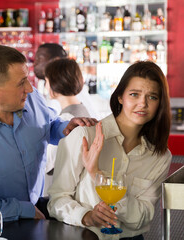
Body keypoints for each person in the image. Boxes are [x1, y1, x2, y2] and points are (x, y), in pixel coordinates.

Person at [0, 45, 97, 223]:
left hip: (36, 211)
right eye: (21, 83)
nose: (30, 89)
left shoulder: (31, 99)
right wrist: (23, 210)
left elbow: (48, 124)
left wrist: (64, 127)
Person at [47, 61, 172, 239]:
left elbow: (143, 217)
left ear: (160, 103)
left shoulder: (160, 156)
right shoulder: (84, 136)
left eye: (152, 97)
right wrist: (86, 216)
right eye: (134, 94)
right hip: (83, 235)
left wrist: (97, 174)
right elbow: (57, 201)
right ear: (120, 96)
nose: (142, 104)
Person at [43, 58, 91, 196]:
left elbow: (48, 163)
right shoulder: (84, 110)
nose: (46, 86)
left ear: (54, 83)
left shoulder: (67, 120)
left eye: (46, 81)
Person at [33, 43, 100, 119]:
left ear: (56, 60)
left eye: (40, 59)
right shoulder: (72, 102)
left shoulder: (68, 112)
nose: (35, 63)